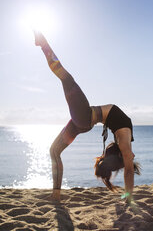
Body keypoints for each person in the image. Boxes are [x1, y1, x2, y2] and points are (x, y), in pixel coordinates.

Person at [34, 31, 141, 203]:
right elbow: (127, 164)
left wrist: (128, 196)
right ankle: (55, 195)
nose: (132, 156)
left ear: (121, 154)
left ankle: (43, 43)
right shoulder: (123, 137)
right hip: (83, 123)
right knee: (54, 151)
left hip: (84, 116)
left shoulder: (124, 141)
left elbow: (129, 170)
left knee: (65, 77)